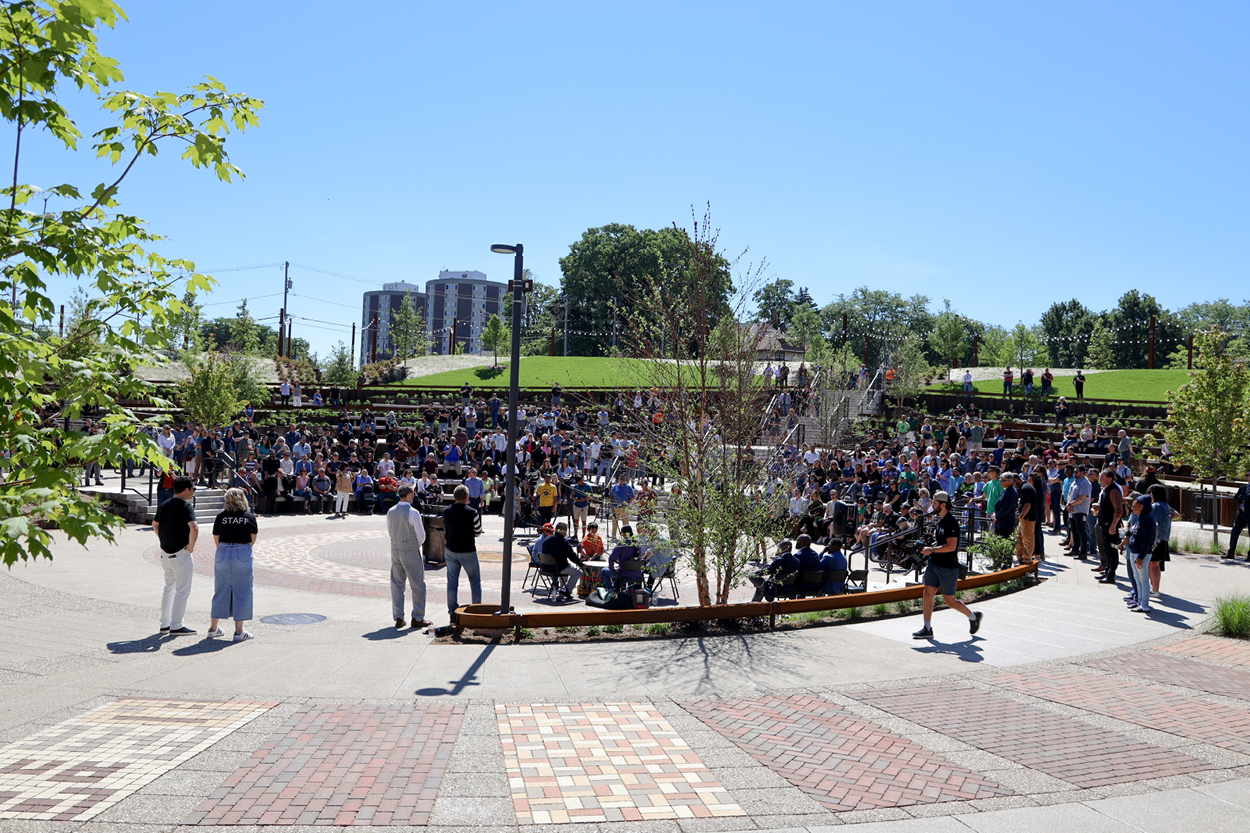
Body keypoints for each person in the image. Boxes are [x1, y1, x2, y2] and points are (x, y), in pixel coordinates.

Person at [913, 491, 983, 640]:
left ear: (943, 505)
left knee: (950, 601)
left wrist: (931, 550)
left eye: (935, 502)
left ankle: (973, 617)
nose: (932, 504)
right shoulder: (940, 520)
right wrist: (929, 545)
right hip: (934, 563)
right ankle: (927, 628)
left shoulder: (951, 522)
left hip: (948, 567)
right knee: (927, 593)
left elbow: (951, 546)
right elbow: (941, 543)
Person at [207, 488, 257, 641]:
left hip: (223, 551)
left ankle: (213, 628)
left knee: (220, 589)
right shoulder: (249, 517)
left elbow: (217, 538)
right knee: (242, 590)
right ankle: (239, 631)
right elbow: (252, 540)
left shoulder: (221, 517)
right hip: (242, 550)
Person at [151, 476, 198, 636]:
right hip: (181, 553)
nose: (193, 491)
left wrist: (162, 539)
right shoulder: (186, 506)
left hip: (166, 554)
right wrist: (191, 547)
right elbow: (194, 527)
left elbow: (155, 524)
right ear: (186, 489)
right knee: (182, 590)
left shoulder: (164, 504)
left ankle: (165, 624)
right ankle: (177, 624)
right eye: (193, 488)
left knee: (168, 588)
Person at [387, 485, 430, 629]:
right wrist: (412, 545)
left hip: (395, 548)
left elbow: (390, 531)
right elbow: (422, 536)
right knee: (417, 584)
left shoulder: (390, 511)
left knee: (397, 583)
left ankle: (398, 616)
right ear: (410, 495)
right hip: (409, 549)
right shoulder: (413, 512)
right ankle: (417, 617)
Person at [443, 484, 483, 621]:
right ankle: (477, 610)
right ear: (467, 497)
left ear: (454, 497)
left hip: (451, 549)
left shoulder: (446, 511)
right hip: (467, 550)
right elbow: (477, 532)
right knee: (475, 581)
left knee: (452, 582)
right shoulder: (472, 512)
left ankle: (452, 611)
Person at [1122, 495, 1156, 613]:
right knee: (1137, 578)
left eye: (1135, 504)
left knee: (1143, 579)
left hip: (1141, 554)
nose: (1132, 506)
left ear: (1142, 506)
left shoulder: (1148, 520)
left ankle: (1145, 605)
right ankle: (1139, 601)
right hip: (1134, 552)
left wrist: (1141, 556)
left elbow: (1147, 541)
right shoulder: (1140, 518)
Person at [541, 521, 584, 602]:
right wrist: (580, 563)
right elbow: (571, 555)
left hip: (546, 567)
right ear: (563, 531)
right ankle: (566, 591)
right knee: (578, 572)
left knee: (565, 569)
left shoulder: (547, 539)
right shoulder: (563, 542)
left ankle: (562, 592)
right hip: (558, 568)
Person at [1095, 468, 1125, 584]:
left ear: (1110, 478)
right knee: (1106, 549)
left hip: (1110, 526)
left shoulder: (1114, 491)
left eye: (1102, 477)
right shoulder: (1106, 489)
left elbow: (1118, 510)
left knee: (1112, 550)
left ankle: (1111, 575)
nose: (1100, 479)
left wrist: (1113, 525)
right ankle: (1107, 571)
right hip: (1104, 524)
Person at [600, 525, 643, 592]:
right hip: (637, 573)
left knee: (604, 571)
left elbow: (611, 558)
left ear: (624, 533)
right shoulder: (638, 543)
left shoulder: (622, 544)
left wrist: (612, 569)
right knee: (630, 571)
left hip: (624, 573)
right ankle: (630, 591)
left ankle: (611, 589)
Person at [1225, 480, 1250, 561]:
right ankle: (1231, 553)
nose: (1247, 477)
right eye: (1246, 475)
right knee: (1235, 532)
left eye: (1248, 475)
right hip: (1241, 515)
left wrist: (1242, 497)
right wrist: (1244, 497)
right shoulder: (1243, 487)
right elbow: (1236, 498)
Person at [609, 473, 635, 538]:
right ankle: (613, 535)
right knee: (614, 521)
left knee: (625, 522)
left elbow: (632, 496)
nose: (622, 480)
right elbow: (611, 494)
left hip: (624, 507)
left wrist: (629, 503)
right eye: (621, 479)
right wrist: (612, 501)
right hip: (616, 506)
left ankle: (627, 536)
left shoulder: (628, 487)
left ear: (625, 479)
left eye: (623, 479)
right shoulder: (615, 486)